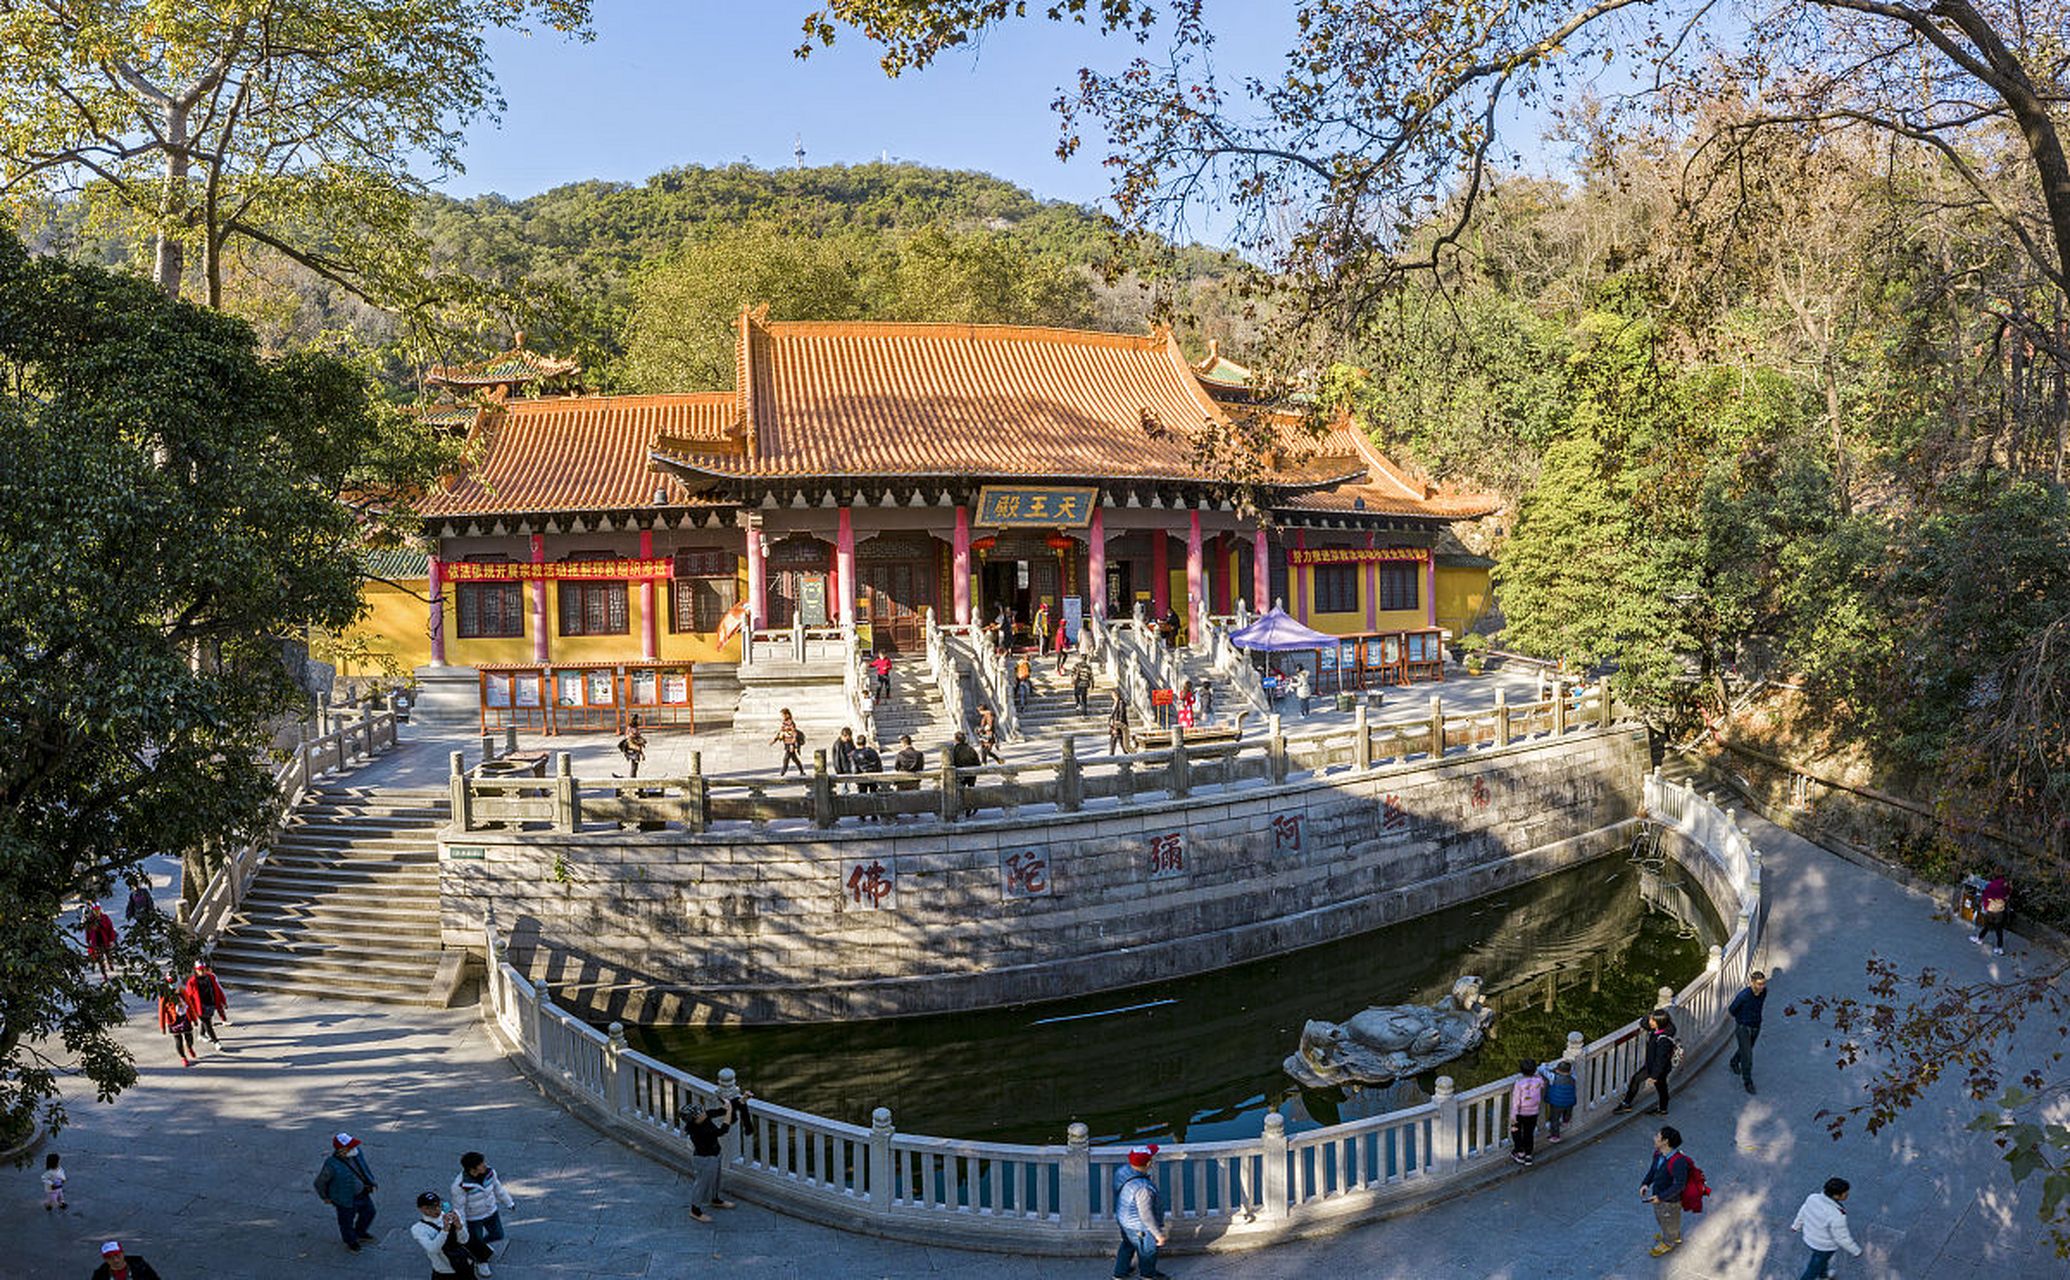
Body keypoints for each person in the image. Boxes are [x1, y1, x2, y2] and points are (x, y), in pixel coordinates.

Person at [682, 1092, 751, 1222]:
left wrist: (742, 1099)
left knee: (716, 1179)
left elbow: (719, 1111)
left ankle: (715, 1200)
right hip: (704, 1159)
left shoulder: (702, 1118)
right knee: (701, 1184)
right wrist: (729, 1110)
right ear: (694, 1119)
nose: (704, 1113)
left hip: (715, 1154)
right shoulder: (699, 1131)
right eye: (700, 1113)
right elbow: (722, 1130)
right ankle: (695, 1210)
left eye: (702, 1111)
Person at [451, 1152, 516, 1277]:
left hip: (491, 1211)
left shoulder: (490, 1173)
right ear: (472, 1169)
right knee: (477, 1241)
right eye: (481, 1164)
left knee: (498, 1234)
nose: (485, 1165)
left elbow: (498, 1188)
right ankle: (481, 1261)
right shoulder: (460, 1185)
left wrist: (509, 1202)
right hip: (474, 1217)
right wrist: (462, 1227)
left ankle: (476, 1246)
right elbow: (459, 1208)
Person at [1111, 1145, 1170, 1280]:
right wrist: (1158, 1234)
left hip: (1123, 1218)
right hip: (1140, 1226)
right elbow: (1146, 1215)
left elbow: (1116, 1190)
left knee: (1127, 1244)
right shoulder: (1144, 1188)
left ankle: (1120, 1273)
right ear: (1149, 1163)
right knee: (1148, 1252)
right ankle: (1148, 1275)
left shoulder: (1122, 1171)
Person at [315, 1132, 380, 1253]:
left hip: (363, 1193)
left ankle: (360, 1233)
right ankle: (351, 1241)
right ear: (341, 1150)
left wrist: (371, 1181)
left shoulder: (357, 1153)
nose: (354, 1149)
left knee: (370, 1213)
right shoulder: (331, 1164)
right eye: (350, 1147)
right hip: (345, 1199)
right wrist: (325, 1197)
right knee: (346, 1222)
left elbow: (364, 1168)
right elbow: (319, 1182)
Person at [1791, 1176, 1864, 1279]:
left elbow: (1803, 1211)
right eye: (1845, 1193)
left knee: (1821, 1261)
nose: (1847, 1195)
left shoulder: (1812, 1198)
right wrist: (1855, 1250)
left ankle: (1824, 1276)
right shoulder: (1836, 1215)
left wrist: (1796, 1226)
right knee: (1813, 1268)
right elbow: (1842, 1238)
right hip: (1824, 1246)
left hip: (1810, 1237)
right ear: (1836, 1196)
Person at [1612, 1009, 1679, 1116]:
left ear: (1659, 1023)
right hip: (1651, 1065)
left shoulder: (1663, 1040)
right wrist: (1649, 1016)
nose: (1650, 1022)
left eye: (1652, 1020)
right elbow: (1643, 1023)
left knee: (1660, 1087)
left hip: (1658, 1069)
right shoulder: (1659, 1029)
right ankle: (1628, 1104)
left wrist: (1654, 1076)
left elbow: (1660, 1059)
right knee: (1639, 1080)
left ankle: (1661, 1109)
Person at [1640, 1125, 1693, 1257]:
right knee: (1663, 1219)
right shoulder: (1658, 1154)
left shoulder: (1678, 1162)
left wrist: (1661, 1197)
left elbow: (1679, 1185)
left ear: (1666, 1141)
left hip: (1670, 1200)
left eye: (1658, 1136)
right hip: (1659, 1195)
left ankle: (1669, 1242)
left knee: (1669, 1218)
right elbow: (1653, 1170)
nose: (1655, 1137)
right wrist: (1645, 1183)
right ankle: (1672, 1235)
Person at [409, 1190, 477, 1278]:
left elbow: (464, 1240)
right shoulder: (418, 1228)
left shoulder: (452, 1215)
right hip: (444, 1270)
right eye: (431, 1207)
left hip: (464, 1264)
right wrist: (445, 1230)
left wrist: (459, 1226)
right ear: (421, 1209)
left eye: (438, 1205)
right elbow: (433, 1249)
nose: (436, 1209)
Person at [1728, 970, 1768, 1095]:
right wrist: (1742, 1019)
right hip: (1743, 1027)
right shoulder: (1743, 996)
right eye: (1759, 984)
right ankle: (1748, 1081)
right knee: (1747, 1056)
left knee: (1747, 1048)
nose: (1761, 987)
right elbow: (1732, 1010)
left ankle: (1734, 1061)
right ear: (1752, 983)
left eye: (1763, 984)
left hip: (1756, 1025)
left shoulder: (1764, 992)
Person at [1509, 1057, 1546, 1165]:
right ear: (1534, 1070)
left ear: (1521, 1071)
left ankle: (1520, 1152)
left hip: (1520, 1113)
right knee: (1529, 1133)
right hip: (1533, 1113)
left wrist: (1513, 1115)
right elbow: (1543, 1084)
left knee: (1515, 1131)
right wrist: (1537, 1075)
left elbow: (1516, 1101)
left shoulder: (1519, 1084)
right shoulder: (1538, 1080)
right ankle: (1528, 1155)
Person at [184, 961, 230, 1046]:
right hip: (199, 1007)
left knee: (206, 1020)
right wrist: (189, 1011)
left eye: (203, 969)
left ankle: (201, 1034)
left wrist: (223, 1001)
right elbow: (188, 997)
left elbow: (218, 990)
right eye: (199, 970)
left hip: (210, 1004)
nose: (202, 971)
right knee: (207, 1023)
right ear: (196, 970)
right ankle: (216, 1041)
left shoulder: (211, 977)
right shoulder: (192, 981)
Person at [156, 975, 197, 1067]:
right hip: (173, 1020)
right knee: (178, 1040)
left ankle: (189, 1047)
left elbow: (189, 1004)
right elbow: (161, 1011)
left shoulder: (182, 991)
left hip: (185, 1018)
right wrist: (162, 1026)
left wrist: (194, 1019)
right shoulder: (165, 995)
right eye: (171, 983)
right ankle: (183, 1057)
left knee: (189, 1037)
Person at [1974, 870, 2010, 955]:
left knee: (1987, 925)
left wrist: (1985, 907)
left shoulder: (1992, 885)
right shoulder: (2006, 885)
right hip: (2000, 910)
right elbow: (2007, 894)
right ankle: (1999, 948)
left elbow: (1986, 896)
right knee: (1999, 929)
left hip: (1991, 909)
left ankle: (1979, 939)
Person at [1542, 1058, 1578, 1141]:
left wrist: (1544, 1065)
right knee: (1567, 1111)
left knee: (1554, 1119)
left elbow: (1543, 1071)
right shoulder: (1573, 1077)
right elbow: (1572, 1069)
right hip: (1569, 1101)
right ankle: (1566, 1121)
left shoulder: (1553, 1077)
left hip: (1556, 1103)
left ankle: (1555, 1136)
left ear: (1557, 1070)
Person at [90, 1241, 162, 1280]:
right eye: (109, 1257)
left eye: (117, 1255)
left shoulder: (140, 1267)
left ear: (123, 1254)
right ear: (105, 1259)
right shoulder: (100, 1275)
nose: (115, 1260)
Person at [83, 903, 118, 980]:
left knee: (108, 954)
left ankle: (110, 964)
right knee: (100, 958)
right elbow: (88, 931)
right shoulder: (90, 920)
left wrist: (111, 939)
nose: (97, 912)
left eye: (98, 910)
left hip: (105, 940)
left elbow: (110, 929)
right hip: (96, 942)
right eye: (95, 911)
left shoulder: (105, 918)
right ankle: (104, 973)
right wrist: (88, 940)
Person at [853, 735, 884, 816]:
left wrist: (855, 778)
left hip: (862, 777)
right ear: (865, 742)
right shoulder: (872, 751)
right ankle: (874, 814)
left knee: (862, 796)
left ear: (857, 742)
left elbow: (854, 768)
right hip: (873, 776)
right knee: (873, 795)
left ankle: (862, 815)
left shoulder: (855, 753)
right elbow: (879, 764)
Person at [771, 709, 805, 776]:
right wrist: (775, 740)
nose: (782, 717)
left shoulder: (791, 723)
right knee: (794, 758)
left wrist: (793, 744)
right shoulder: (784, 723)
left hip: (790, 743)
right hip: (786, 743)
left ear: (787, 715)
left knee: (786, 758)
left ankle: (783, 772)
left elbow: (794, 733)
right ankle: (801, 771)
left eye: (783, 715)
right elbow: (780, 732)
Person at [893, 734, 925, 801]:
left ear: (903, 744)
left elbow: (896, 767)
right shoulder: (919, 754)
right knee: (915, 800)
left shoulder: (900, 754)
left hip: (902, 780)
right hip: (915, 781)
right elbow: (921, 767)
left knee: (903, 800)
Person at [1107, 687, 1131, 755]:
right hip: (1114, 725)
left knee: (1121, 742)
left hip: (1119, 725)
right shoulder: (1115, 702)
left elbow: (1121, 715)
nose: (1112, 695)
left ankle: (1126, 755)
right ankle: (1111, 755)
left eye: (1113, 694)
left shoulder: (1121, 703)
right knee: (1114, 741)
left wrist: (1117, 727)